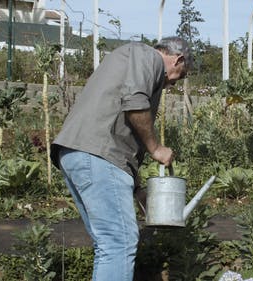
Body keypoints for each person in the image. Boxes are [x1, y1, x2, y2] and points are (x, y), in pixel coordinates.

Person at [50, 37, 191, 281]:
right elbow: (135, 103)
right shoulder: (146, 56)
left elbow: (120, 129)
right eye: (180, 74)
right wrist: (156, 148)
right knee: (119, 241)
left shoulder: (130, 61)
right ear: (178, 59)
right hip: (97, 155)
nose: (172, 84)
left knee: (108, 243)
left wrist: (136, 190)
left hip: (79, 154)